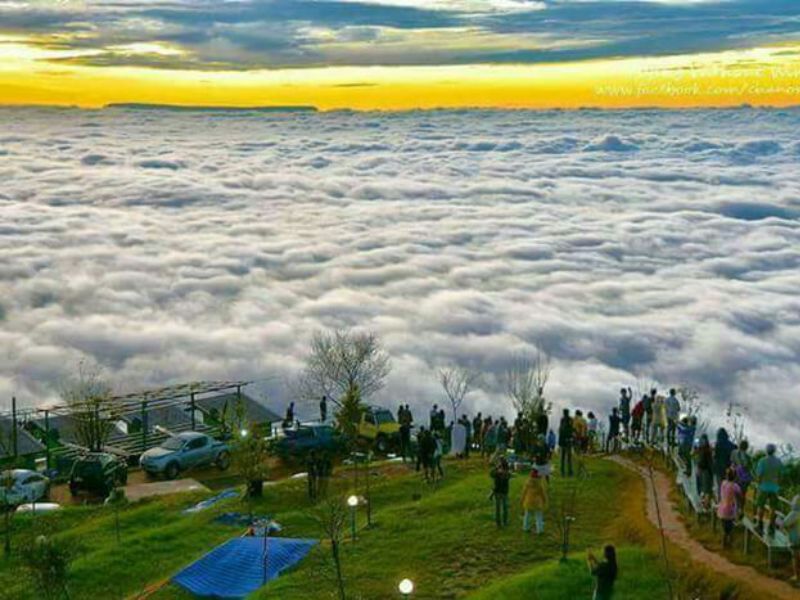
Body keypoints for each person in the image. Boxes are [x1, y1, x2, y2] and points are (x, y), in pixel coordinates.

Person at [754, 443, 783, 536]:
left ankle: (760, 525)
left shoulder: (762, 461)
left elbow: (759, 474)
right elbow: (781, 475)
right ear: (774, 451)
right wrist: (778, 485)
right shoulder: (778, 461)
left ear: (766, 451)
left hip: (763, 487)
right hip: (774, 488)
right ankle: (771, 527)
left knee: (761, 506)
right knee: (773, 508)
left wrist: (758, 484)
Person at [717, 468, 742, 548]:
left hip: (721, 509)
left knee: (724, 527)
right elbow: (739, 495)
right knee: (730, 528)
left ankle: (723, 543)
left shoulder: (723, 483)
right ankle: (730, 543)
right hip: (730, 510)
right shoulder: (735, 486)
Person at [521, 467, 548, 534]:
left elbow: (524, 492)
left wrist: (522, 499)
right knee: (538, 516)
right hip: (537, 502)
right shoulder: (539, 484)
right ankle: (540, 529)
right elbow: (542, 493)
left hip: (528, 501)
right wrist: (545, 500)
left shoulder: (527, 483)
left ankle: (525, 527)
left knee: (527, 515)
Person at [780, 495, 800, 583]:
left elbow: (784, 524)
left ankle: (797, 577)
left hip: (796, 539)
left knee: (796, 558)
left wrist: (778, 521)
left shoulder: (795, 513)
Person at [713, 428, 736, 498]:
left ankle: (721, 502)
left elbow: (715, 456)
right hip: (728, 470)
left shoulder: (717, 445)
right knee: (729, 487)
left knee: (720, 487)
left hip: (718, 469)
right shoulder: (732, 446)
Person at [491, 457, 511, 527]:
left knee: (503, 508)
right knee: (498, 508)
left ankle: (503, 522)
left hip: (502, 491)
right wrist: (496, 469)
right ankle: (499, 522)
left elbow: (507, 476)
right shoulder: (497, 471)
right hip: (498, 491)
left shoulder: (506, 472)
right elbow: (491, 474)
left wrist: (500, 472)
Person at [695, 434, 714, 507]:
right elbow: (710, 462)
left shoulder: (700, 449)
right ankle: (705, 504)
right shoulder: (707, 450)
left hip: (701, 470)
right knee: (707, 489)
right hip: (706, 471)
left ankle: (703, 503)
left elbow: (699, 460)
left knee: (702, 487)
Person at [558, 409, 574, 477]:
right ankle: (569, 472)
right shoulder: (570, 420)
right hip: (567, 441)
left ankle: (563, 472)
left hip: (562, 441)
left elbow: (561, 430)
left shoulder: (562, 420)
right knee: (568, 458)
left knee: (563, 458)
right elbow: (570, 430)